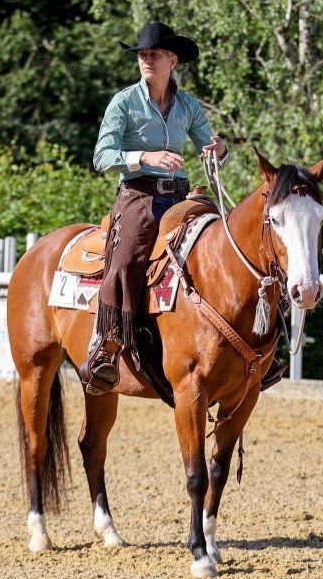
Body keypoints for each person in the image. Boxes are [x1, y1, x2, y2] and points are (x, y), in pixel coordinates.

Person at [79, 22, 229, 393]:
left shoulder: (189, 105)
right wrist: (145, 155)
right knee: (127, 255)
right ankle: (106, 347)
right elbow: (101, 156)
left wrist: (218, 151)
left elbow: (207, 147)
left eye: (154, 54)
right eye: (142, 55)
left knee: (222, 248)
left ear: (172, 61)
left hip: (180, 196)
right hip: (138, 197)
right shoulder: (124, 102)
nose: (146, 60)